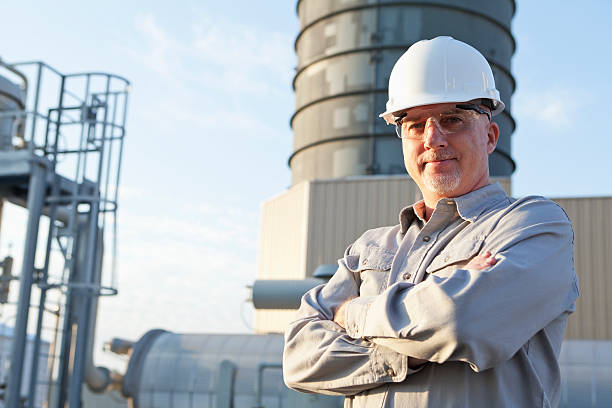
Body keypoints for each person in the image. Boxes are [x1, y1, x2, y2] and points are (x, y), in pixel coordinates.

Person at [282, 36, 578, 407]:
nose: (433, 139)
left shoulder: (533, 224)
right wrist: (413, 349)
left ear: (490, 135)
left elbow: (463, 321)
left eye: (453, 119)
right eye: (416, 124)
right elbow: (298, 358)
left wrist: (352, 315)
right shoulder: (367, 249)